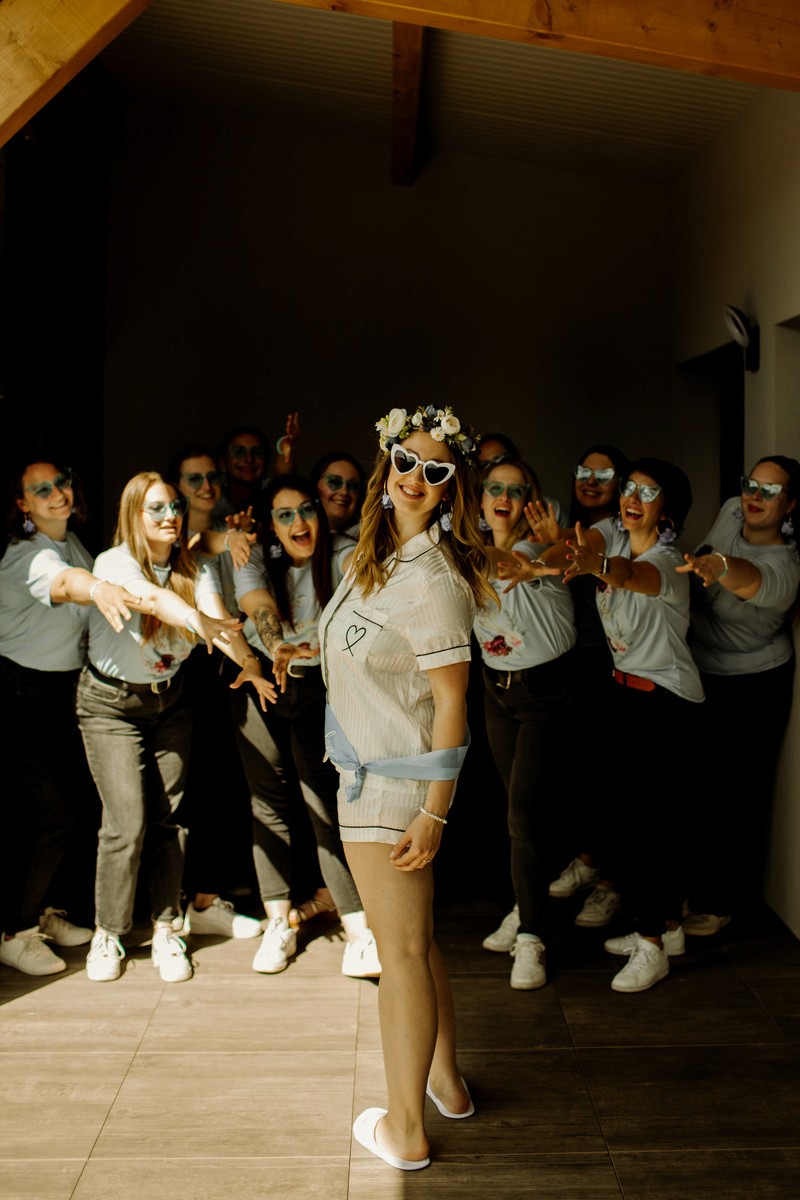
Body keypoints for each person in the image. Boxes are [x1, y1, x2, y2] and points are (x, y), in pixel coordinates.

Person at [319, 404, 495, 1170]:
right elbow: (371, 652)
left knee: (402, 956)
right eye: (405, 461)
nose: (415, 478)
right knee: (416, 947)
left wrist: (434, 813)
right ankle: (446, 1083)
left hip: (394, 789)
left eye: (436, 470)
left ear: (452, 486)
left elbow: (453, 704)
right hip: (369, 777)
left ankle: (405, 1129)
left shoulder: (433, 581)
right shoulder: (375, 559)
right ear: (385, 465)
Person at [76, 472, 271, 983]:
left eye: (176, 507)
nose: (171, 516)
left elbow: (217, 620)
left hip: (170, 703)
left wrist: (250, 662)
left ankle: (166, 928)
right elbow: (154, 601)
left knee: (171, 818)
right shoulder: (114, 563)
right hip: (110, 705)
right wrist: (195, 621)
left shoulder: (193, 566)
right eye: (157, 508)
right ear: (133, 514)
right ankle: (109, 933)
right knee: (126, 823)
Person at [527, 458, 702, 991]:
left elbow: (629, 576)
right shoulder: (614, 536)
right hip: (626, 693)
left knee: (649, 829)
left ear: (667, 510)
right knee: (634, 821)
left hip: (665, 702)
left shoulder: (668, 561)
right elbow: (582, 553)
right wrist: (535, 565)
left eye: (648, 492)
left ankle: (652, 946)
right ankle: (666, 930)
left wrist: (598, 566)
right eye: (629, 488)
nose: (631, 497)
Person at [232, 474, 380, 978]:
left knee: (323, 804)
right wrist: (276, 644)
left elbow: (365, 585)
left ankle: (359, 932)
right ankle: (278, 923)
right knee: (268, 802)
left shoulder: (340, 553)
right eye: (285, 514)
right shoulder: (255, 558)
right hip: (263, 681)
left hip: (321, 688)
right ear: (271, 527)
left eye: (306, 510)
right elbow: (258, 606)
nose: (299, 521)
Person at [0, 460, 143, 975]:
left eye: (61, 482)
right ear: (23, 504)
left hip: (62, 689)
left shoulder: (69, 541)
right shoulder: (27, 553)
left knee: (72, 809)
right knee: (49, 814)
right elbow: (65, 583)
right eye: (41, 490)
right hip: (20, 692)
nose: (57, 493)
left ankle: (43, 911)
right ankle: (14, 931)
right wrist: (99, 589)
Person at [678, 455, 800, 934]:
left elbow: (751, 579)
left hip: (754, 683)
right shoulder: (732, 508)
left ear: (790, 505)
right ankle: (688, 887)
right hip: (701, 666)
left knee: (736, 793)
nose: (754, 496)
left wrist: (720, 564)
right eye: (752, 484)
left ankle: (720, 901)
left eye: (770, 491)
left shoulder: (785, 566)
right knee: (695, 785)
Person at [474, 459, 575, 989]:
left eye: (516, 490)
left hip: (544, 692)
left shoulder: (540, 548)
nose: (504, 497)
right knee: (520, 809)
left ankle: (532, 936)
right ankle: (526, 903)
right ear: (480, 497)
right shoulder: (468, 550)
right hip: (496, 689)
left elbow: (538, 559)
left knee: (524, 816)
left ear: (531, 500)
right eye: (495, 487)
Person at [167, 445, 263, 940]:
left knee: (227, 780)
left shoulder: (227, 528)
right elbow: (200, 545)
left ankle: (209, 895)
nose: (206, 486)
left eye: (212, 477)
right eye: (194, 479)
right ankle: (195, 900)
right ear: (176, 487)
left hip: (227, 659)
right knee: (201, 782)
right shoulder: (173, 537)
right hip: (193, 668)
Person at [528, 444, 629, 906]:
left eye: (603, 474)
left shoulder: (624, 530)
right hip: (574, 658)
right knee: (581, 770)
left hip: (616, 659)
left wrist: (555, 548)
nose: (591, 481)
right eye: (584, 471)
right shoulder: (563, 522)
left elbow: (579, 557)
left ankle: (611, 881)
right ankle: (589, 860)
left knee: (612, 770)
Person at [309, 451, 365, 538]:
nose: (344, 492)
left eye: (353, 485)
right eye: (335, 482)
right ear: (315, 484)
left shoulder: (369, 539)